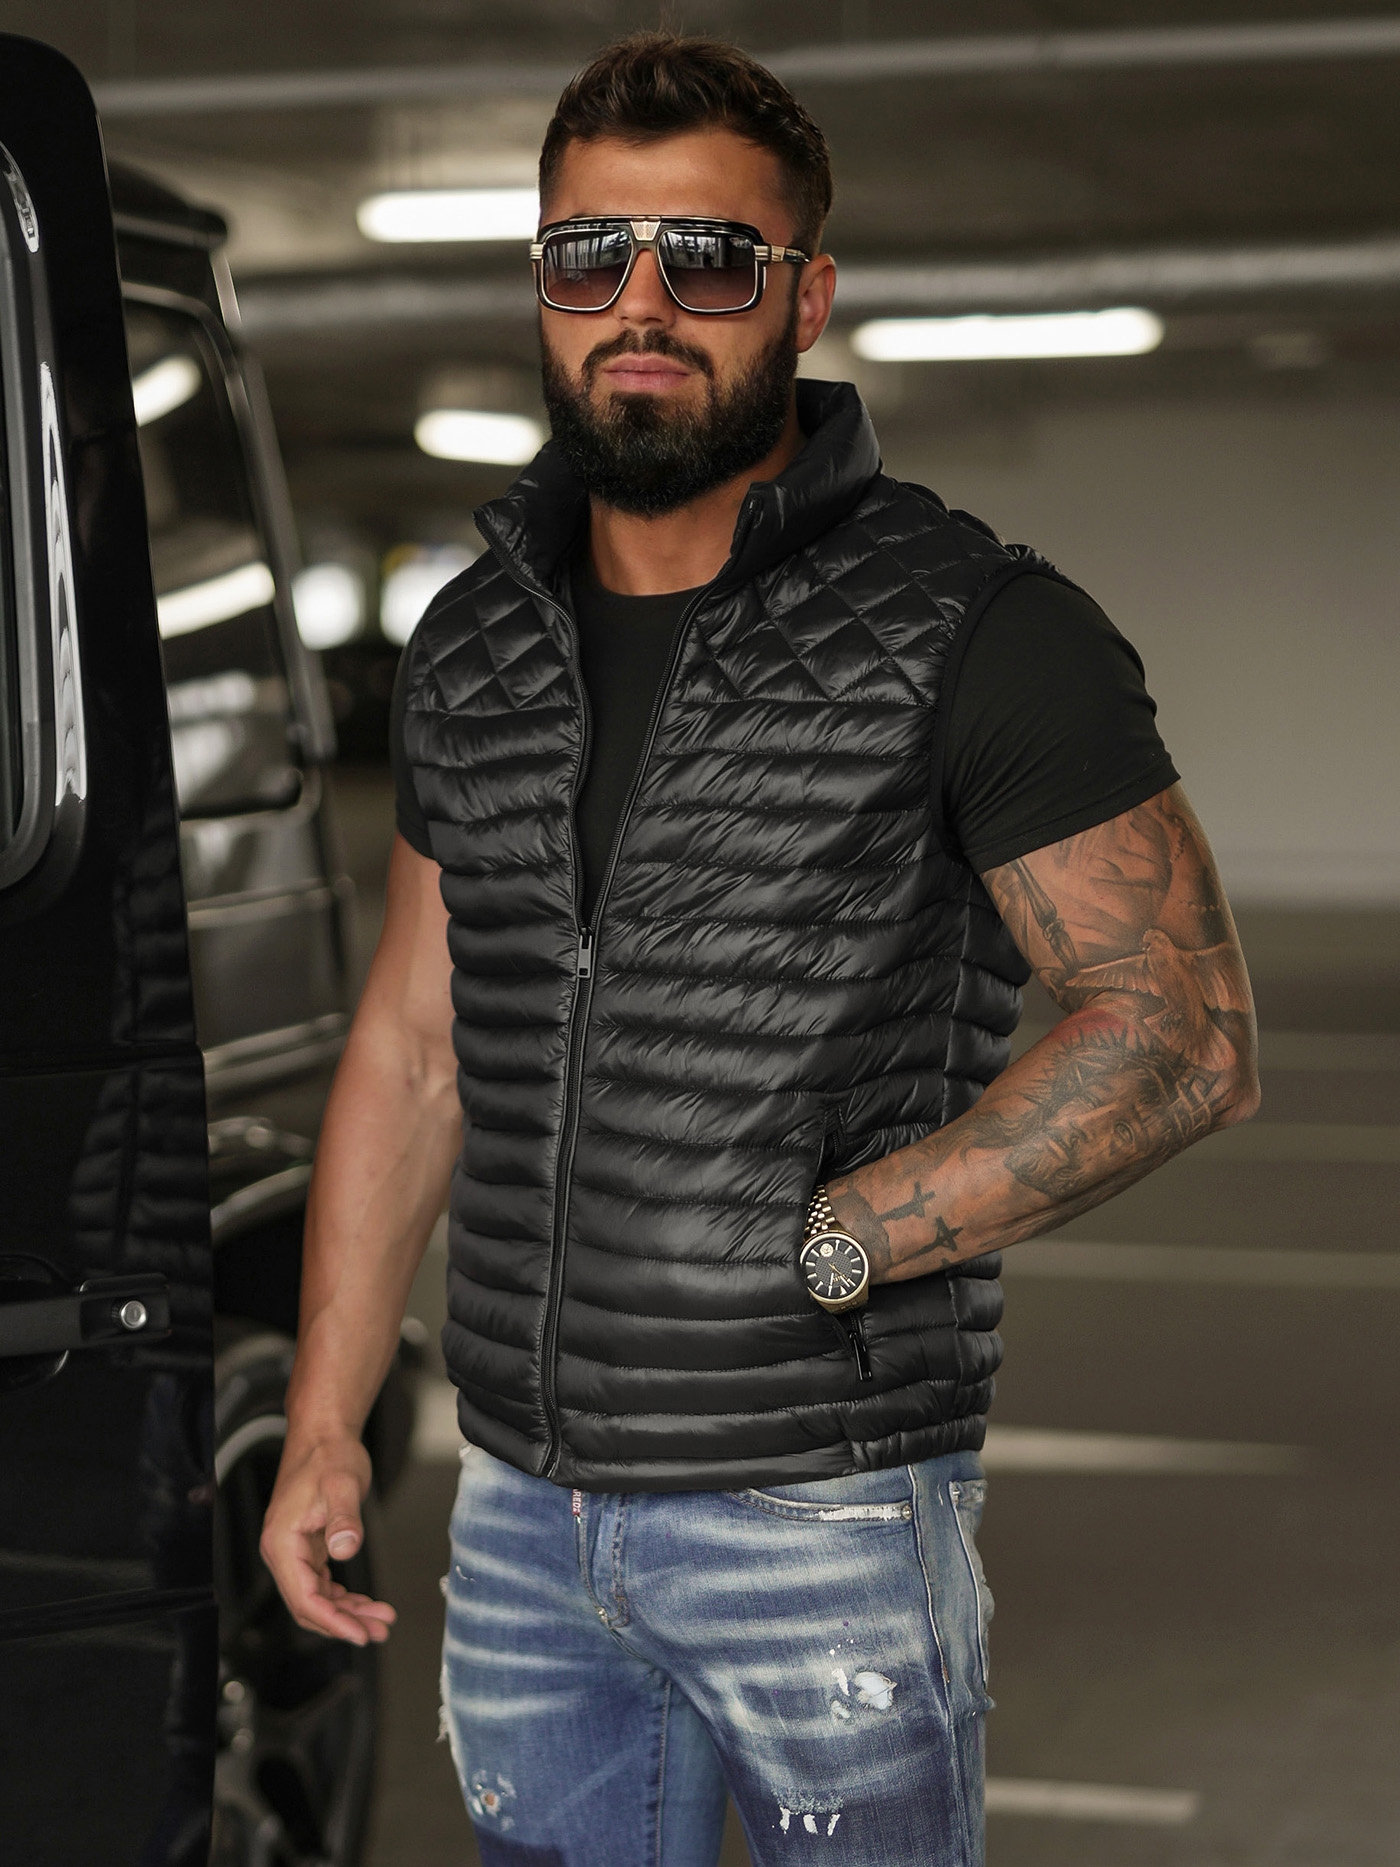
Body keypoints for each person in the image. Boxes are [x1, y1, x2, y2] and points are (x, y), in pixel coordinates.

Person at [260, 33, 1259, 1866]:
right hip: (521, 1508)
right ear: (542, 283)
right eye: (590, 254)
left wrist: (835, 1242)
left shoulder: (977, 626)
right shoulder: (474, 641)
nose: (641, 303)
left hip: (820, 1512)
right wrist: (327, 1416)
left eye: (708, 259)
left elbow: (1179, 1028)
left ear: (805, 296)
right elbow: (416, 1042)